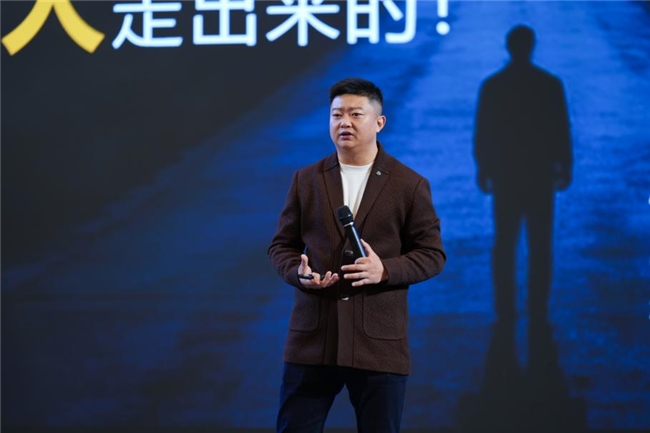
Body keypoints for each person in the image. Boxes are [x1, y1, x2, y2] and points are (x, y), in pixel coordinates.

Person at [268, 78, 446, 433]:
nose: (344, 122)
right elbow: (281, 246)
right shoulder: (306, 180)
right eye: (336, 115)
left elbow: (432, 254)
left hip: (377, 344)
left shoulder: (409, 185)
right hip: (313, 340)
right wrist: (296, 273)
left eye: (355, 114)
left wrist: (385, 270)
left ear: (379, 122)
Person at [473, 25, 572, 326]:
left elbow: (483, 131)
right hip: (539, 174)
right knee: (540, 244)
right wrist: (565, 165)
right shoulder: (549, 84)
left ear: (509, 46)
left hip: (507, 175)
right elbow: (561, 129)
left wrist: (484, 167)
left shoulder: (494, 86)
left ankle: (505, 308)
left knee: (505, 243)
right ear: (531, 46)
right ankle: (538, 307)